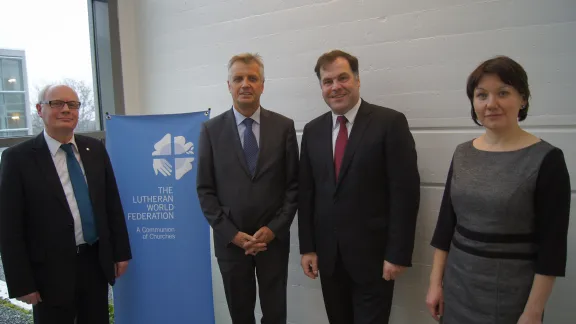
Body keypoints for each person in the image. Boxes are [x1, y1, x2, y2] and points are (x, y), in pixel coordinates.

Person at [426, 56, 571, 324]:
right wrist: (436, 284)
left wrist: (534, 311)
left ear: (523, 98)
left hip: (510, 297)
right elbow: (446, 225)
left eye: (503, 93)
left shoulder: (547, 160)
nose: (491, 104)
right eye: (482, 95)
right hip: (458, 289)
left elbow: (552, 248)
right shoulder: (462, 154)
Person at [298, 49, 421, 324]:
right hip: (329, 260)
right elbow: (307, 194)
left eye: (343, 78)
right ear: (321, 87)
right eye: (327, 81)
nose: (335, 87)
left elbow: (405, 193)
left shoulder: (389, 123)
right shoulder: (312, 131)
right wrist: (308, 247)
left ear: (357, 80)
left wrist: (397, 253)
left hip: (375, 260)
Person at [0, 84, 132, 324]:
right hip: (48, 272)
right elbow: (9, 226)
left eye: (72, 105)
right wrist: (21, 282)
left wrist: (121, 252)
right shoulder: (17, 158)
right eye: (57, 104)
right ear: (40, 109)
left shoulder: (94, 150)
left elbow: (111, 204)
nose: (66, 110)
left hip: (94, 262)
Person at [196, 53, 298, 324]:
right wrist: (233, 234)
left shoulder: (284, 127)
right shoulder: (210, 131)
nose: (245, 84)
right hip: (231, 243)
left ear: (263, 85)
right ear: (228, 85)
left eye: (252, 78)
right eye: (238, 78)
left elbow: (293, 187)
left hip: (272, 243)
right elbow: (205, 191)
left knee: (275, 314)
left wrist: (274, 229)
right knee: (240, 315)